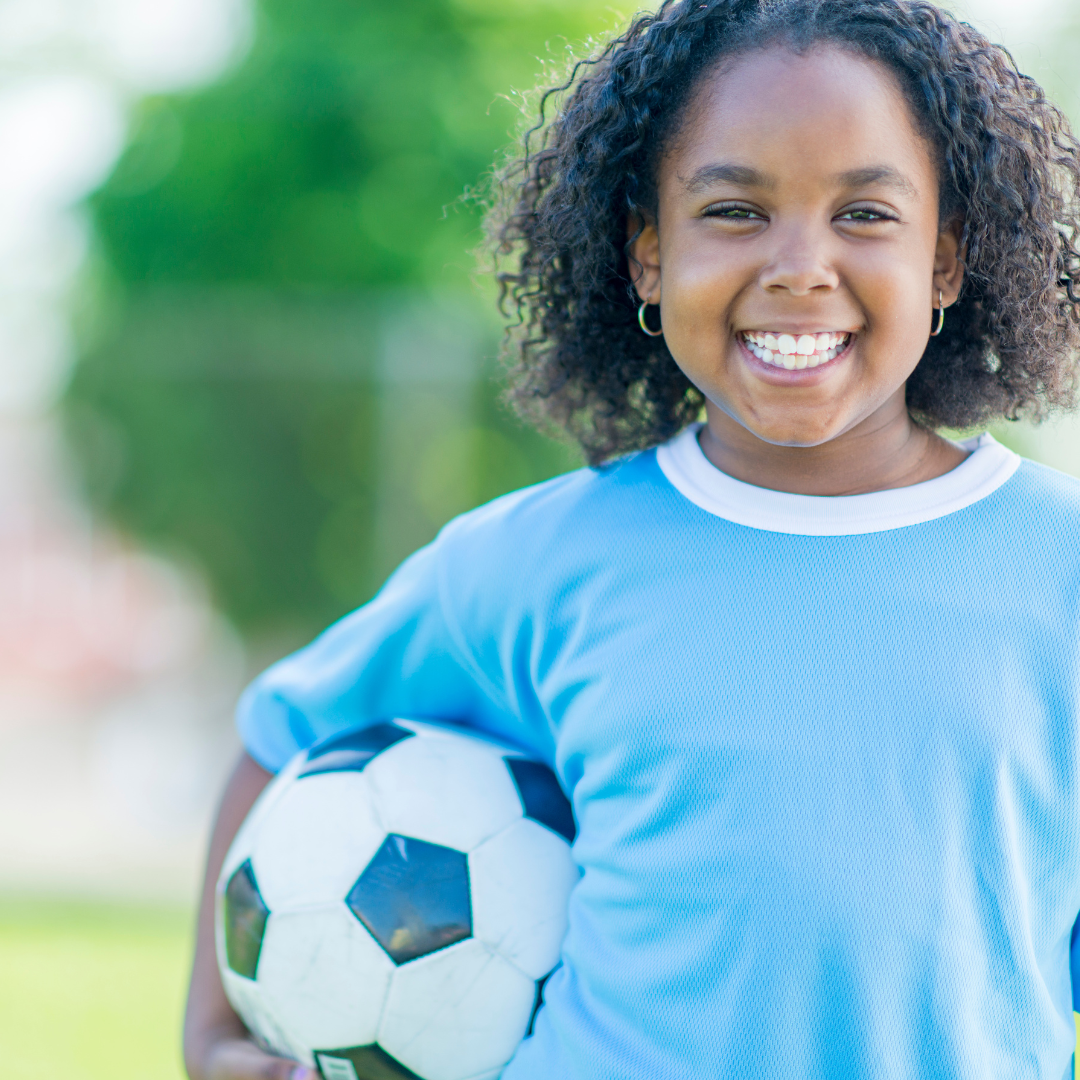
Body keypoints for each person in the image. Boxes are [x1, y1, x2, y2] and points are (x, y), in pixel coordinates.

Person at [183, 0, 1080, 1077]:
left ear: (948, 259)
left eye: (867, 215)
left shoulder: (1057, 570)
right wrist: (212, 1036)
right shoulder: (532, 565)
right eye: (736, 211)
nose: (800, 266)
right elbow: (283, 734)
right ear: (647, 257)